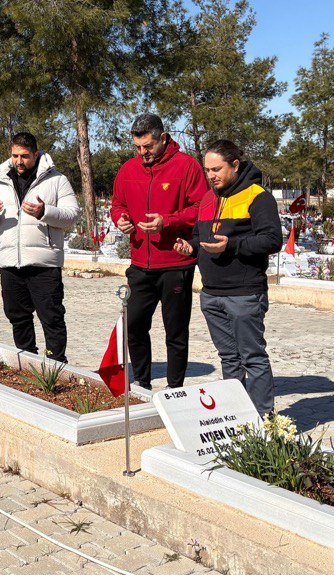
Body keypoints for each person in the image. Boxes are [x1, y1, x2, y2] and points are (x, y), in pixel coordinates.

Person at [176, 140, 283, 417]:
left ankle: (263, 421)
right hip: (211, 294)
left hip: (244, 294)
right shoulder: (208, 199)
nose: (210, 175)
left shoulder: (258, 196)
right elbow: (201, 238)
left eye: (216, 169)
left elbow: (272, 240)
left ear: (235, 165)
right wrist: (192, 246)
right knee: (228, 358)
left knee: (253, 358)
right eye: (207, 170)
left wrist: (232, 246)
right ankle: (238, 417)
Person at [109, 114, 210, 389]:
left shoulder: (187, 167)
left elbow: (203, 208)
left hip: (176, 264)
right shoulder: (128, 170)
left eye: (149, 147)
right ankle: (142, 381)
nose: (143, 153)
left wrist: (168, 222)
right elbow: (117, 204)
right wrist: (120, 218)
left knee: (175, 331)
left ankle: (175, 388)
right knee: (134, 325)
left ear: (163, 139)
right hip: (140, 263)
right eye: (138, 148)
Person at [0, 132, 80, 362]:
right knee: (18, 317)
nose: (19, 161)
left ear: (36, 154)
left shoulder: (56, 180)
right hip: (10, 263)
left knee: (52, 318)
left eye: (24, 156)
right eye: (15, 155)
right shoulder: (0, 181)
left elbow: (72, 214)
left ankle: (56, 366)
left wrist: (45, 212)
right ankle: (28, 362)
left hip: (44, 263)